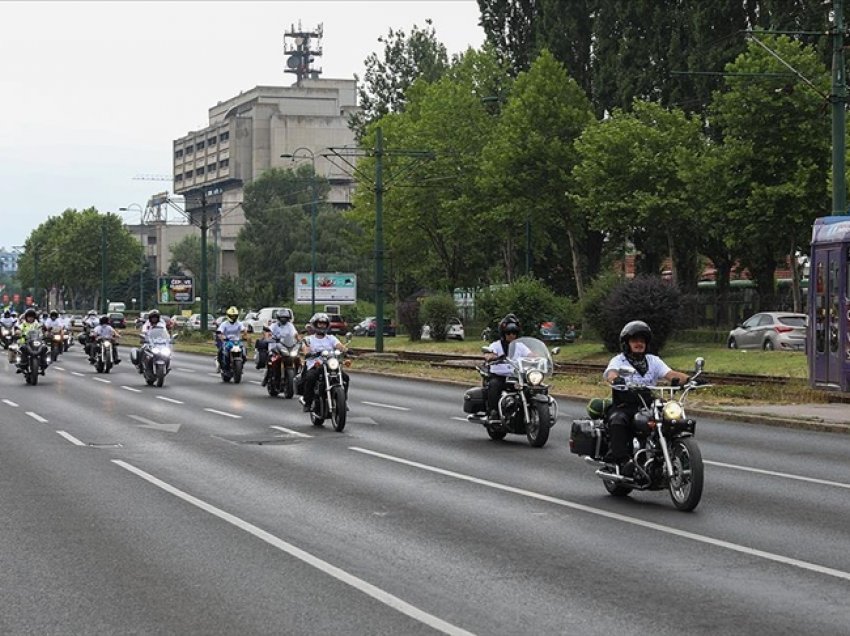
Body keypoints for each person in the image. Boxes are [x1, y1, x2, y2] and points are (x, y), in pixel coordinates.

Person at [603, 320, 689, 477]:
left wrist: (690, 379)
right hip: (625, 403)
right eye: (634, 340)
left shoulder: (653, 360)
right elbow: (611, 373)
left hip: (648, 404)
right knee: (618, 420)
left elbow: (671, 375)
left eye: (642, 340)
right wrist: (616, 379)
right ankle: (622, 460)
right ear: (626, 343)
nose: (638, 343)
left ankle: (670, 452)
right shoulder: (619, 360)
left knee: (671, 418)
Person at [482, 313, 533, 423]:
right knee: (494, 385)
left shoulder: (520, 346)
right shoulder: (496, 345)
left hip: (517, 376)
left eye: (514, 333)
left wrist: (541, 358)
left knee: (532, 387)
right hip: (500, 376)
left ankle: (532, 410)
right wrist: (492, 357)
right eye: (508, 333)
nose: (511, 335)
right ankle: (494, 412)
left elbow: (531, 355)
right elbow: (487, 355)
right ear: (503, 333)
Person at [299, 312, 348, 411]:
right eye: (320, 323)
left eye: (324, 323)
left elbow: (339, 346)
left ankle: (343, 401)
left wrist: (345, 350)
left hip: (330, 364)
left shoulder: (331, 338)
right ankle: (307, 402)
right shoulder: (308, 339)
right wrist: (308, 353)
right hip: (315, 365)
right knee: (310, 377)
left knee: (345, 378)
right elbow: (305, 349)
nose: (322, 325)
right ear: (315, 324)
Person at [15, 308, 47, 373]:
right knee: (22, 348)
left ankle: (43, 363)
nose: (30, 318)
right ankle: (23, 363)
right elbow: (18, 329)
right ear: (26, 317)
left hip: (37, 342)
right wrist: (18, 332)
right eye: (29, 317)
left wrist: (45, 334)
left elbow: (43, 330)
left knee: (44, 348)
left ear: (34, 317)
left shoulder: (37, 324)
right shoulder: (23, 324)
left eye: (32, 317)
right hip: (25, 342)